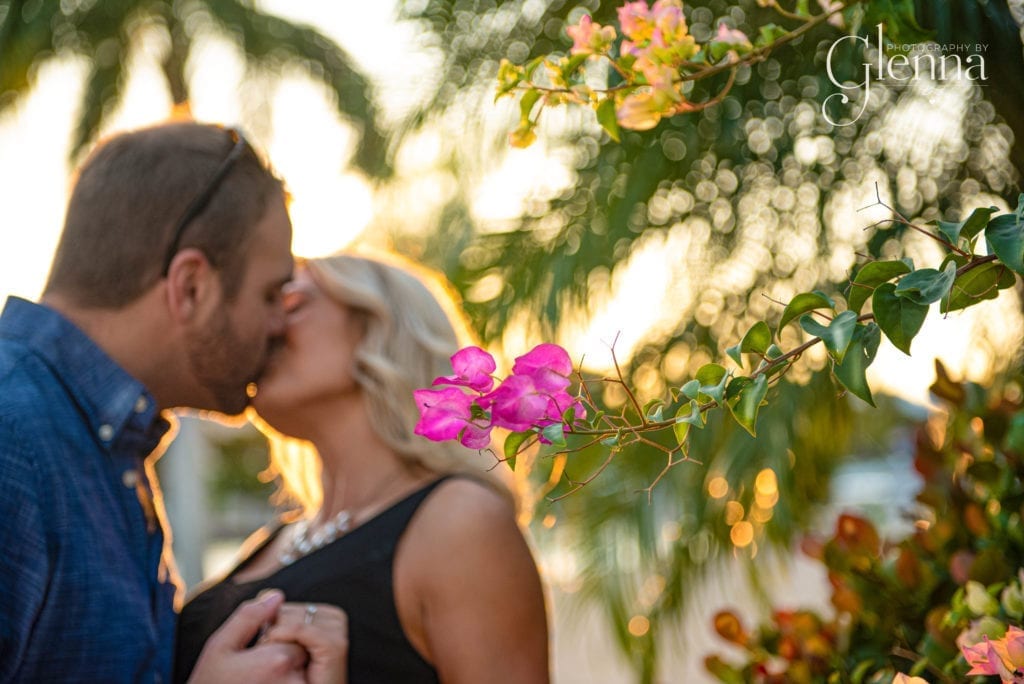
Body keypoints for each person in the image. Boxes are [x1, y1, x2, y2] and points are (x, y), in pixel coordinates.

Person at [0, 121, 348, 683]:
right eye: (269, 293)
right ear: (191, 286)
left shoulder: (100, 445)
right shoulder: (12, 435)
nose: (283, 321)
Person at [173, 253, 551, 683]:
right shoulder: (275, 541)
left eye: (292, 303)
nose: (266, 325)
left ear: (380, 330)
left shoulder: (460, 522)